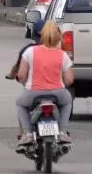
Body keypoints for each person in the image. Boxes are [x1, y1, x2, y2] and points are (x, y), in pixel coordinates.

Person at [14, 21, 74, 149]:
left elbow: (22, 75)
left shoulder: (30, 51)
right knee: (68, 101)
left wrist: (19, 79)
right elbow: (69, 80)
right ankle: (62, 132)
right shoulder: (63, 55)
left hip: (33, 93)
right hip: (58, 93)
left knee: (20, 103)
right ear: (59, 36)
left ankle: (28, 133)